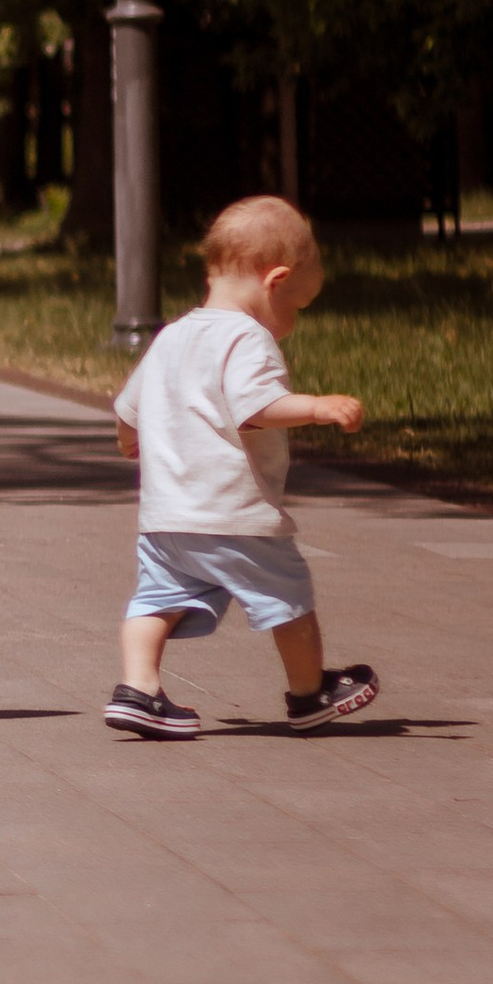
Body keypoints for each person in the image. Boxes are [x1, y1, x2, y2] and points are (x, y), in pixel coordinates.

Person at [106, 196, 378, 738]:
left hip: (165, 516)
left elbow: (127, 410)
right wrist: (316, 406)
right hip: (233, 514)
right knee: (288, 595)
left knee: (156, 599)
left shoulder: (174, 335)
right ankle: (309, 694)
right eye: (297, 307)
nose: (293, 325)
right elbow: (254, 409)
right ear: (274, 281)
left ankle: (139, 690)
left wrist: (130, 441)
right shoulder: (246, 338)